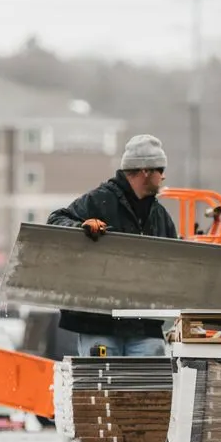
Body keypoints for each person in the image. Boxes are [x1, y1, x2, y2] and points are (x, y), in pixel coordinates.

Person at [47, 133, 178, 357]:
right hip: (98, 324)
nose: (163, 177)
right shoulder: (98, 201)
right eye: (160, 170)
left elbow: (175, 266)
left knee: (150, 381)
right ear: (145, 171)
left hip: (144, 326)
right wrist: (80, 227)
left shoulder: (160, 217)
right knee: (102, 381)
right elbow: (56, 221)